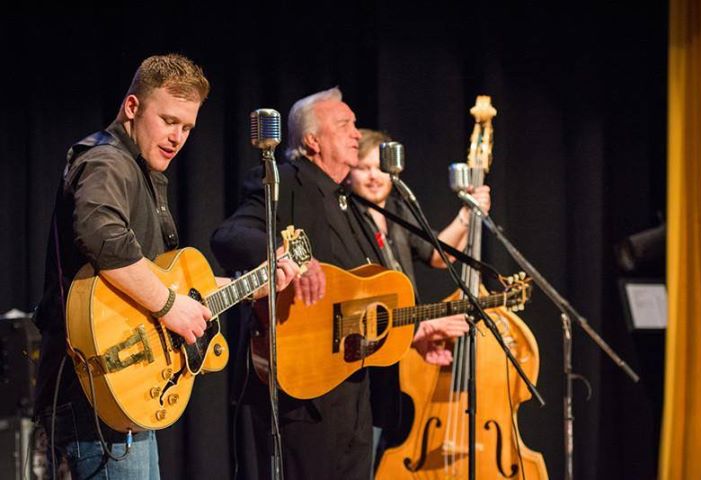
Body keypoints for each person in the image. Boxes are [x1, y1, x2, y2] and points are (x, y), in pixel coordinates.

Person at [33, 53, 299, 480]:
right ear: (133, 107)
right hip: (94, 398)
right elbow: (102, 239)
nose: (177, 137)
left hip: (125, 397)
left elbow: (165, 283)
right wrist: (170, 306)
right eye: (169, 120)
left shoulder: (141, 170)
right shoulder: (107, 161)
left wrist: (251, 284)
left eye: (188, 127)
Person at [212, 87, 390, 480]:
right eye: (345, 125)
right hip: (301, 388)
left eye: (356, 125)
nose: (357, 134)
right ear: (312, 140)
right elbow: (230, 235)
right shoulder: (282, 181)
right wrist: (291, 255)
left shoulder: (351, 202)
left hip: (352, 386)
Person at [348, 128, 490, 470]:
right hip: (368, 348)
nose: (373, 176)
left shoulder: (396, 210)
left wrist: (466, 216)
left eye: (380, 167)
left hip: (401, 345)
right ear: (348, 171)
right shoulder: (349, 217)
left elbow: (438, 255)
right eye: (363, 167)